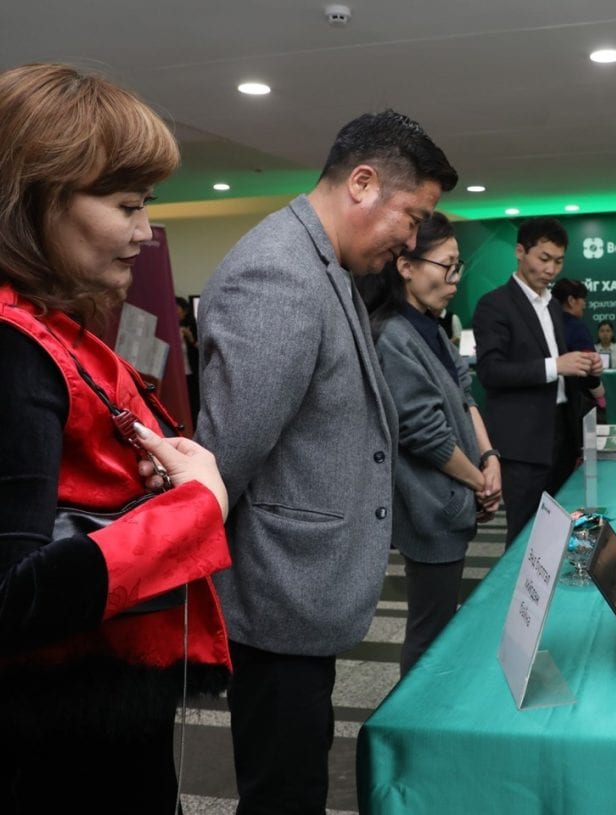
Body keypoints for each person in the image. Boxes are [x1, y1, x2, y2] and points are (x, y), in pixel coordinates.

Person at [196, 110, 457, 814]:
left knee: (299, 776)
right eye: (412, 216)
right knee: (285, 791)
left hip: (305, 591)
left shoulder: (324, 264)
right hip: (277, 591)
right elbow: (227, 457)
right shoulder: (276, 272)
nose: (413, 238)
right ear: (362, 183)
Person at [0, 63, 232, 813]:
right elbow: (11, 597)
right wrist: (195, 505)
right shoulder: (16, 348)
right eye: (127, 205)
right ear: (35, 200)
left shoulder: (51, 329)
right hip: (59, 748)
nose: (143, 232)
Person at [369, 212, 501, 675]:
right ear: (406, 265)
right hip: (430, 505)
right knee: (430, 631)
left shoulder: (431, 325)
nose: (454, 280)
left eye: (457, 266)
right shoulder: (393, 337)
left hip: (456, 492)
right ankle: (416, 729)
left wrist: (489, 459)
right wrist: (479, 481)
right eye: (446, 266)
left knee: (441, 623)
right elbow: (423, 434)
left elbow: (465, 399)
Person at [472, 217, 602, 545]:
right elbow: (491, 372)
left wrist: (586, 367)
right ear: (520, 252)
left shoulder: (553, 306)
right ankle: (517, 596)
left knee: (560, 529)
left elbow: (560, 369)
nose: (551, 269)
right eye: (543, 258)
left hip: (562, 433)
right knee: (524, 536)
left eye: (558, 261)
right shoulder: (494, 305)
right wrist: (555, 365)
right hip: (523, 443)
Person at [552, 277, 606, 414]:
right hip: (576, 400)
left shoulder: (547, 324)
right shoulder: (577, 328)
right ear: (571, 301)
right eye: (583, 299)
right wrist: (600, 396)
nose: (585, 305)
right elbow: (589, 367)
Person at [175, 294, 200, 421]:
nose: (176, 313)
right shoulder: (168, 328)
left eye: (178, 310)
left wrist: (190, 338)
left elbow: (201, 348)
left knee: (194, 401)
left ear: (185, 311)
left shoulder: (193, 325)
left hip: (191, 371)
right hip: (177, 373)